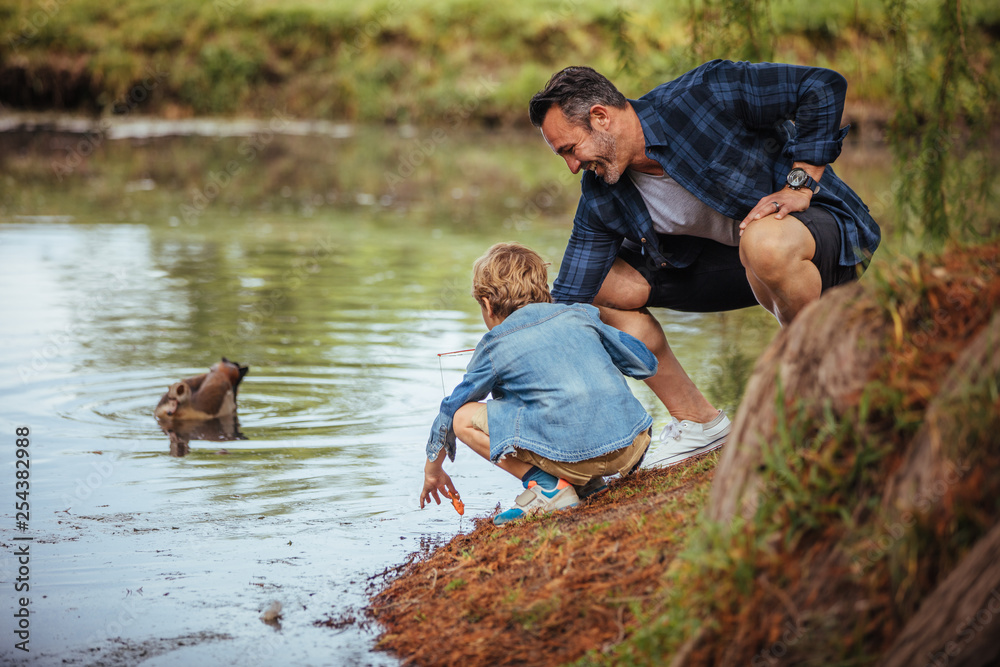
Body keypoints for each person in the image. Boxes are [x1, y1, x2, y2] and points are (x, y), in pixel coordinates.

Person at [528, 60, 881, 465]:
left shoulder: (707, 93)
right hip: (740, 269)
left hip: (820, 241)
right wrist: (513, 344)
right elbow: (570, 298)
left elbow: (823, 84)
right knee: (598, 294)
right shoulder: (601, 193)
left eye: (570, 150)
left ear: (601, 117)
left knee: (762, 240)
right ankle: (700, 424)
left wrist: (799, 181)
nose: (572, 166)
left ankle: (817, 387)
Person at [420, 242, 657, 526]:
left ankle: (548, 488)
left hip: (578, 454)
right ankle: (587, 485)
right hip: (630, 446)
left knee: (463, 418)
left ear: (486, 304)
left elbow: (450, 409)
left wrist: (433, 470)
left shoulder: (495, 344)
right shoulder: (581, 314)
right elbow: (645, 364)